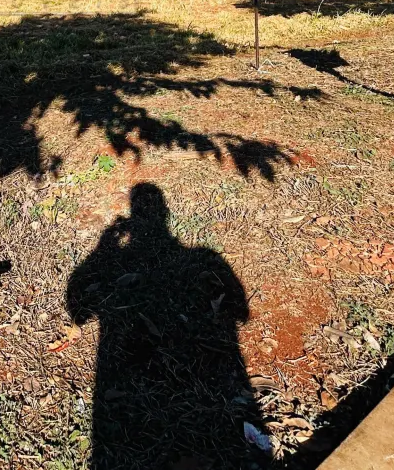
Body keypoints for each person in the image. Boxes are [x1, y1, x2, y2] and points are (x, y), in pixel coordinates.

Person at [68, 183, 267, 468]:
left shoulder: (182, 260)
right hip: (200, 383)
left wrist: (105, 244)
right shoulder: (202, 258)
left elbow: (80, 307)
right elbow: (242, 314)